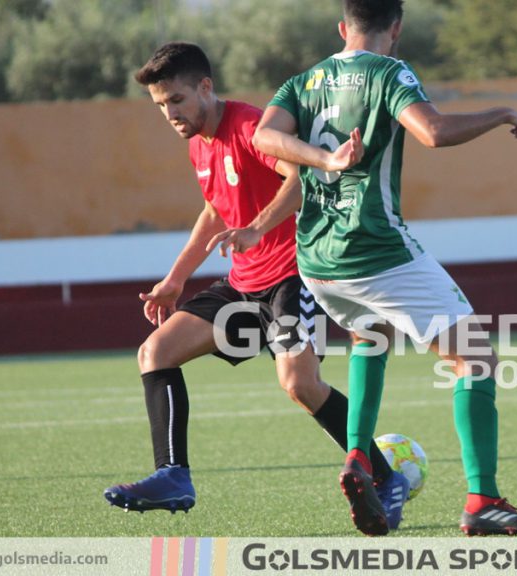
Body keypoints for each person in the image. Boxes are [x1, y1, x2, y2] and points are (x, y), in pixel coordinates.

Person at [252, 0, 517, 537]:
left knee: (372, 336)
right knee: (475, 358)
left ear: (342, 27)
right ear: (395, 28)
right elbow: (432, 131)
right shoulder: (390, 71)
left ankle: (359, 459)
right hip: (375, 249)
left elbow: (264, 137)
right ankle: (483, 499)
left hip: (317, 258)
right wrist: (500, 113)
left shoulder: (303, 80)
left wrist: (321, 160)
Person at [102, 42, 411, 529]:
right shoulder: (197, 143)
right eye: (161, 106)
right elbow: (214, 210)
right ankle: (173, 474)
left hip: (291, 275)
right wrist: (175, 278)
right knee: (155, 353)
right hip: (244, 285)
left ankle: (385, 476)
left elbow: (300, 178)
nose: (170, 113)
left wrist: (257, 228)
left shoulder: (249, 127)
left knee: (300, 385)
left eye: (177, 100)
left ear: (205, 87)